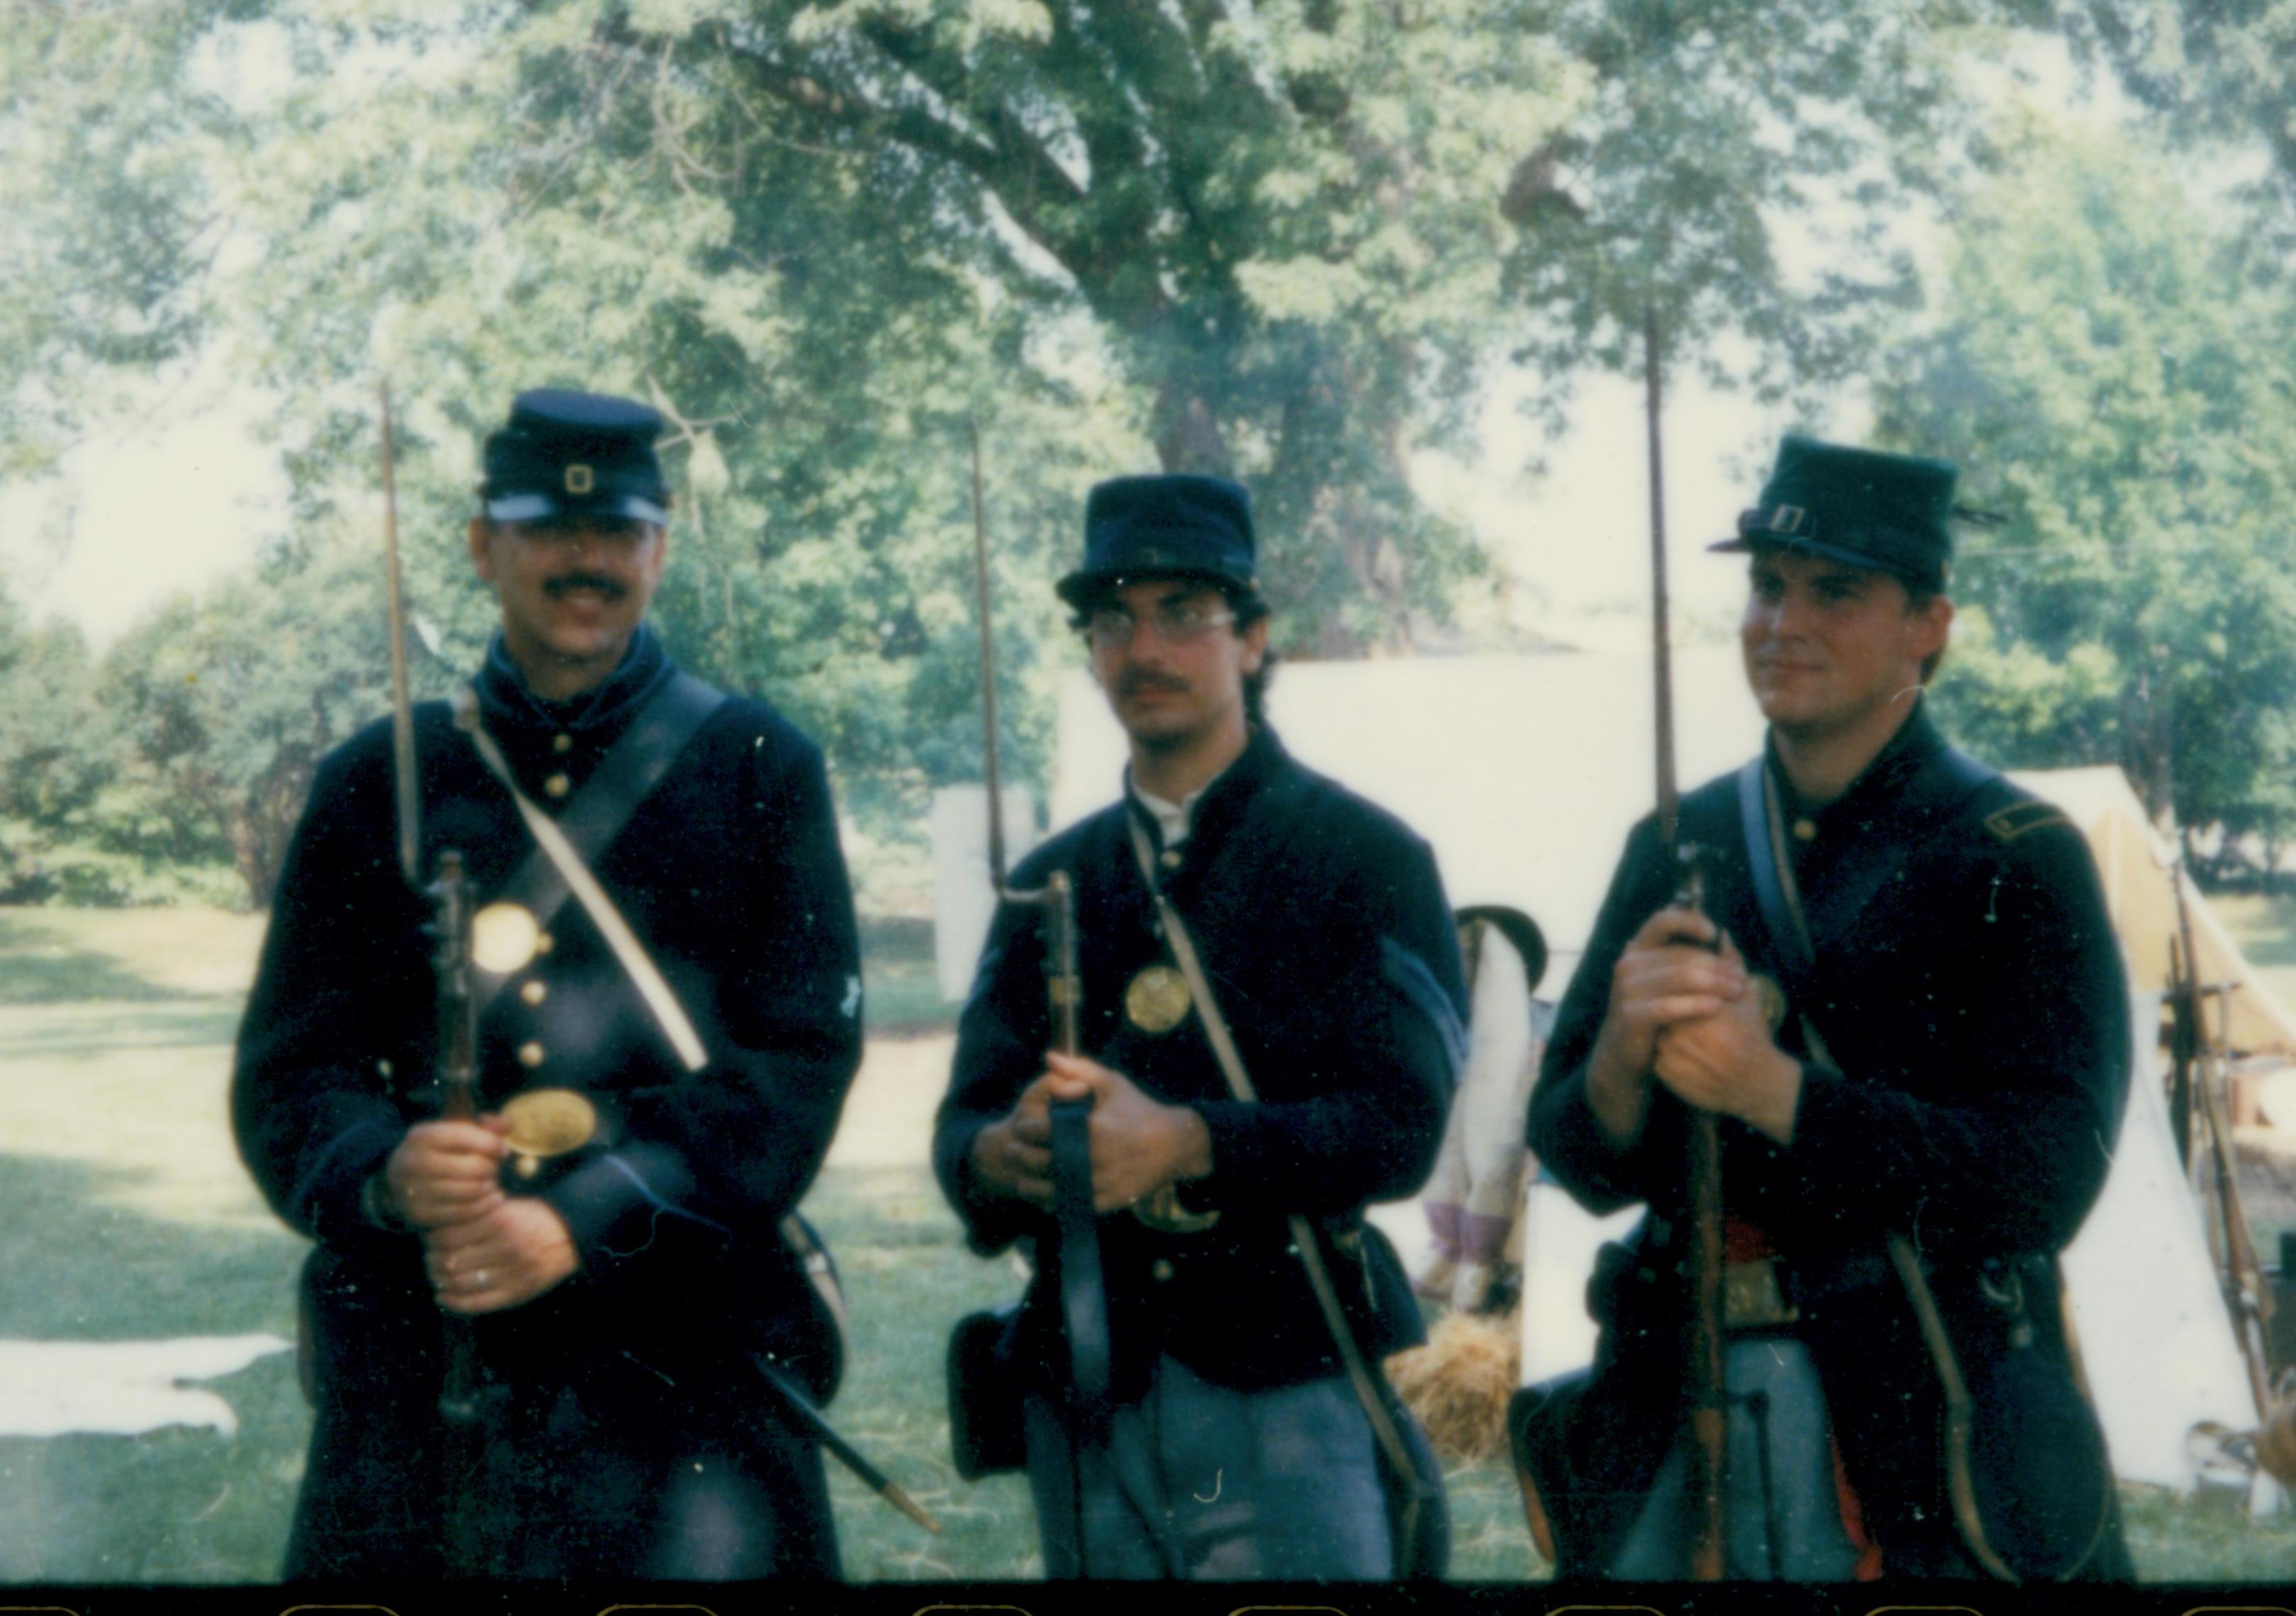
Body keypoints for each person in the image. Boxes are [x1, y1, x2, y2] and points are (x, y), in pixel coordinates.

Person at [234, 388, 862, 1580]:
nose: (588, 560)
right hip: (429, 1373)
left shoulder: (760, 766)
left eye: (618, 533)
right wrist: (384, 1172)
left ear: (659, 549)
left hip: (686, 1379)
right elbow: (292, 1072)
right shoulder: (378, 780)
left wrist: (585, 1216)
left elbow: (793, 1070)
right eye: (548, 530)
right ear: (483, 545)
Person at [1524, 435, 2131, 1581]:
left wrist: (1778, 1096)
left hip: (1922, 1421)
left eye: (1835, 592)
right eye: (1767, 585)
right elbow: (1576, 1158)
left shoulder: (2015, 855)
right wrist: (1613, 1059)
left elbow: (2049, 1179)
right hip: (1676, 1391)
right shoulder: (1673, 842)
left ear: (1929, 625)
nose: (1780, 621)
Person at [935, 473, 1466, 1580]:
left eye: (1185, 613)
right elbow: (963, 1130)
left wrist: (1188, 1143)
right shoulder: (1049, 880)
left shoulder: (1364, 857)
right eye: (1114, 619)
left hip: (1286, 1374)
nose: (1146, 648)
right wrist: (1004, 1150)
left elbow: (1401, 1131)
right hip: (1086, 1375)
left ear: (1255, 638)